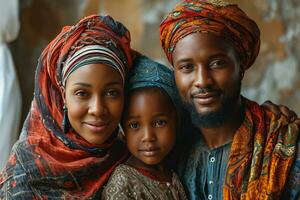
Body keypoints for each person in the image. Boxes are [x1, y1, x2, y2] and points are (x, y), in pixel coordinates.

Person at [160, 0, 300, 199]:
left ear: (240, 67)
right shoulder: (166, 148)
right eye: (187, 67)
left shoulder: (284, 142)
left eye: (217, 63)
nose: (202, 81)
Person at [0, 15, 133, 199]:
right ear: (63, 96)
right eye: (82, 93)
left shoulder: (132, 157)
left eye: (112, 93)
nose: (97, 109)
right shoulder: (25, 172)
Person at [102, 55, 188, 200]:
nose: (148, 136)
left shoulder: (173, 172)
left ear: (177, 122)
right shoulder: (124, 182)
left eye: (160, 122)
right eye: (134, 125)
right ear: (123, 131)